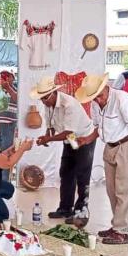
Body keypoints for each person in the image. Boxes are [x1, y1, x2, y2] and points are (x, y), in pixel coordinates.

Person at [75, 74, 128, 245]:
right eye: (94, 98)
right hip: (110, 146)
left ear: (106, 87)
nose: (99, 100)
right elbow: (98, 127)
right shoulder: (95, 104)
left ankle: (122, 231)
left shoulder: (122, 99)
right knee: (111, 190)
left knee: (124, 190)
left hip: (126, 145)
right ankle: (117, 225)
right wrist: (87, 139)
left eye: (100, 96)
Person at [31, 77, 97, 223]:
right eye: (41, 98)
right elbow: (51, 125)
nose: (44, 101)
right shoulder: (48, 104)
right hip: (71, 139)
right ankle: (65, 208)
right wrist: (48, 134)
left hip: (83, 138)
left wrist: (48, 139)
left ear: (54, 92)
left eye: (46, 98)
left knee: (82, 175)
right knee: (66, 172)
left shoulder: (69, 104)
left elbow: (68, 132)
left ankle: (81, 211)